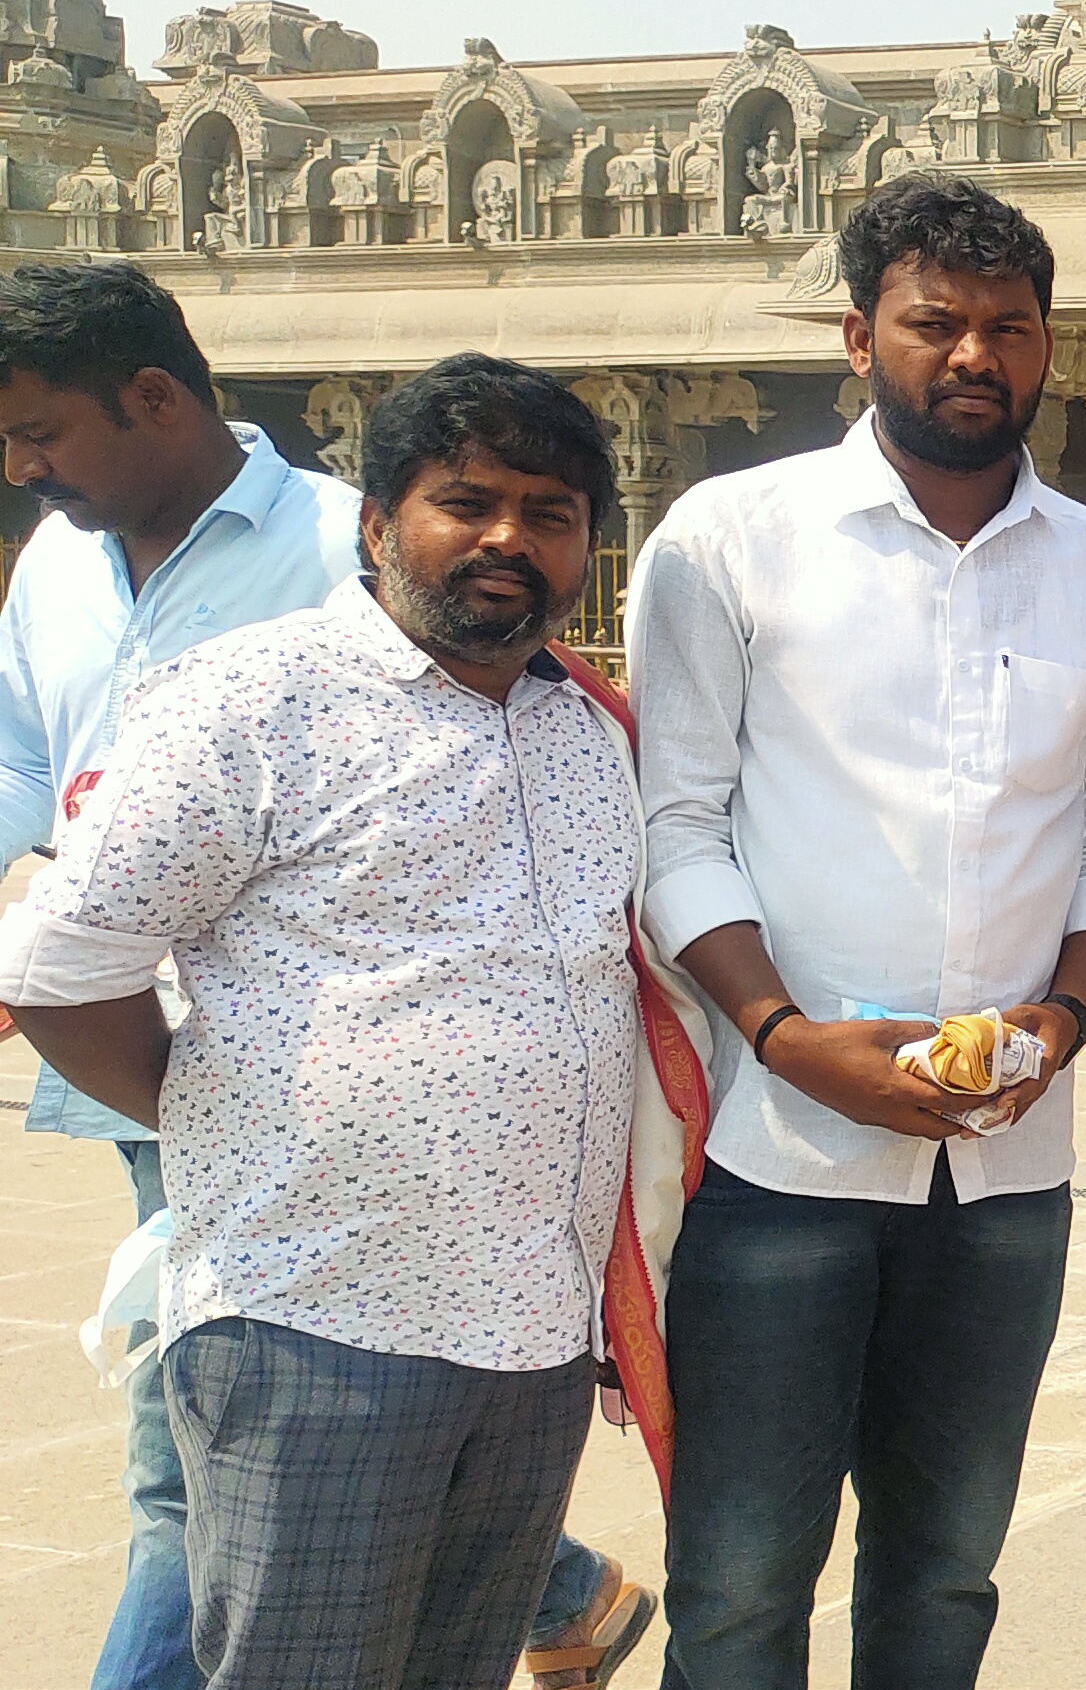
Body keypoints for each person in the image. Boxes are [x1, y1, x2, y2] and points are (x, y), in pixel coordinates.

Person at [0, 264, 650, 1690]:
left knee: (456, 1670)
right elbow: (57, 969)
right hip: (319, 1323)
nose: (506, 541)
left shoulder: (585, 733)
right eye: (465, 503)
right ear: (375, 524)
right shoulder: (254, 700)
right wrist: (211, 1109)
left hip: (530, 1341)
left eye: (548, 517)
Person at [628, 169, 1086, 1686]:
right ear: (859, 338)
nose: (975, 358)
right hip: (782, 1158)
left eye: (1010, 328)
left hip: (1005, 1174)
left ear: (1050, 347)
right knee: (737, 1580)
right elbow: (677, 825)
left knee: (945, 1574)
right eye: (936, 324)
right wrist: (784, 1040)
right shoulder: (734, 538)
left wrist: (1062, 1020)